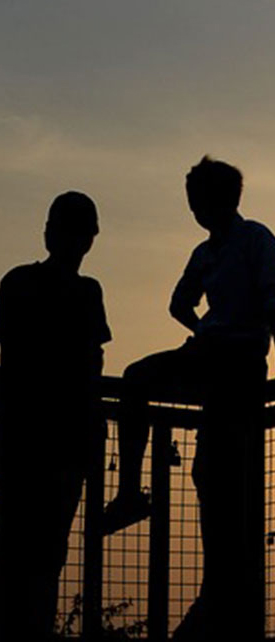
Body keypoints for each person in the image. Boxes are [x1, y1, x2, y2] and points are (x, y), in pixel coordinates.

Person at [103, 156, 275, 641]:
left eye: (197, 201)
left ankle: (220, 595)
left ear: (218, 200)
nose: (194, 210)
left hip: (239, 360)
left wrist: (242, 331)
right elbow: (179, 302)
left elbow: (271, 298)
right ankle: (131, 491)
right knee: (136, 379)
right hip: (211, 351)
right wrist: (204, 330)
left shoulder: (255, 239)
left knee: (217, 469)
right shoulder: (207, 252)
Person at [0, 191, 112, 641]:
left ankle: (12, 630)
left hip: (27, 433)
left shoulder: (16, 282)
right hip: (59, 436)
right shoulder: (85, 291)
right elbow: (90, 363)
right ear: (89, 238)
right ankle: (31, 629)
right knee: (42, 548)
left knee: (18, 545)